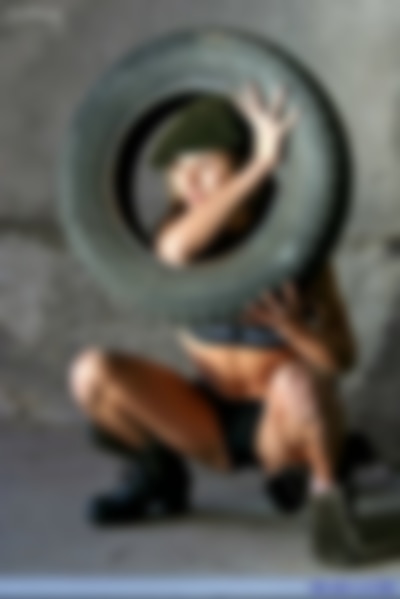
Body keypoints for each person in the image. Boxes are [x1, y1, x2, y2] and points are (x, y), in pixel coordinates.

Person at [68, 85, 373, 551]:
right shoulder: (177, 236)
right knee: (91, 373)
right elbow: (174, 252)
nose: (189, 181)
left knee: (299, 381)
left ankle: (327, 489)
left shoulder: (297, 252)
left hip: (279, 419)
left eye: (207, 166)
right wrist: (264, 163)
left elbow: (341, 360)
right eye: (179, 168)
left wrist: (294, 329)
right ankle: (158, 478)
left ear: (238, 164)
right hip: (207, 416)